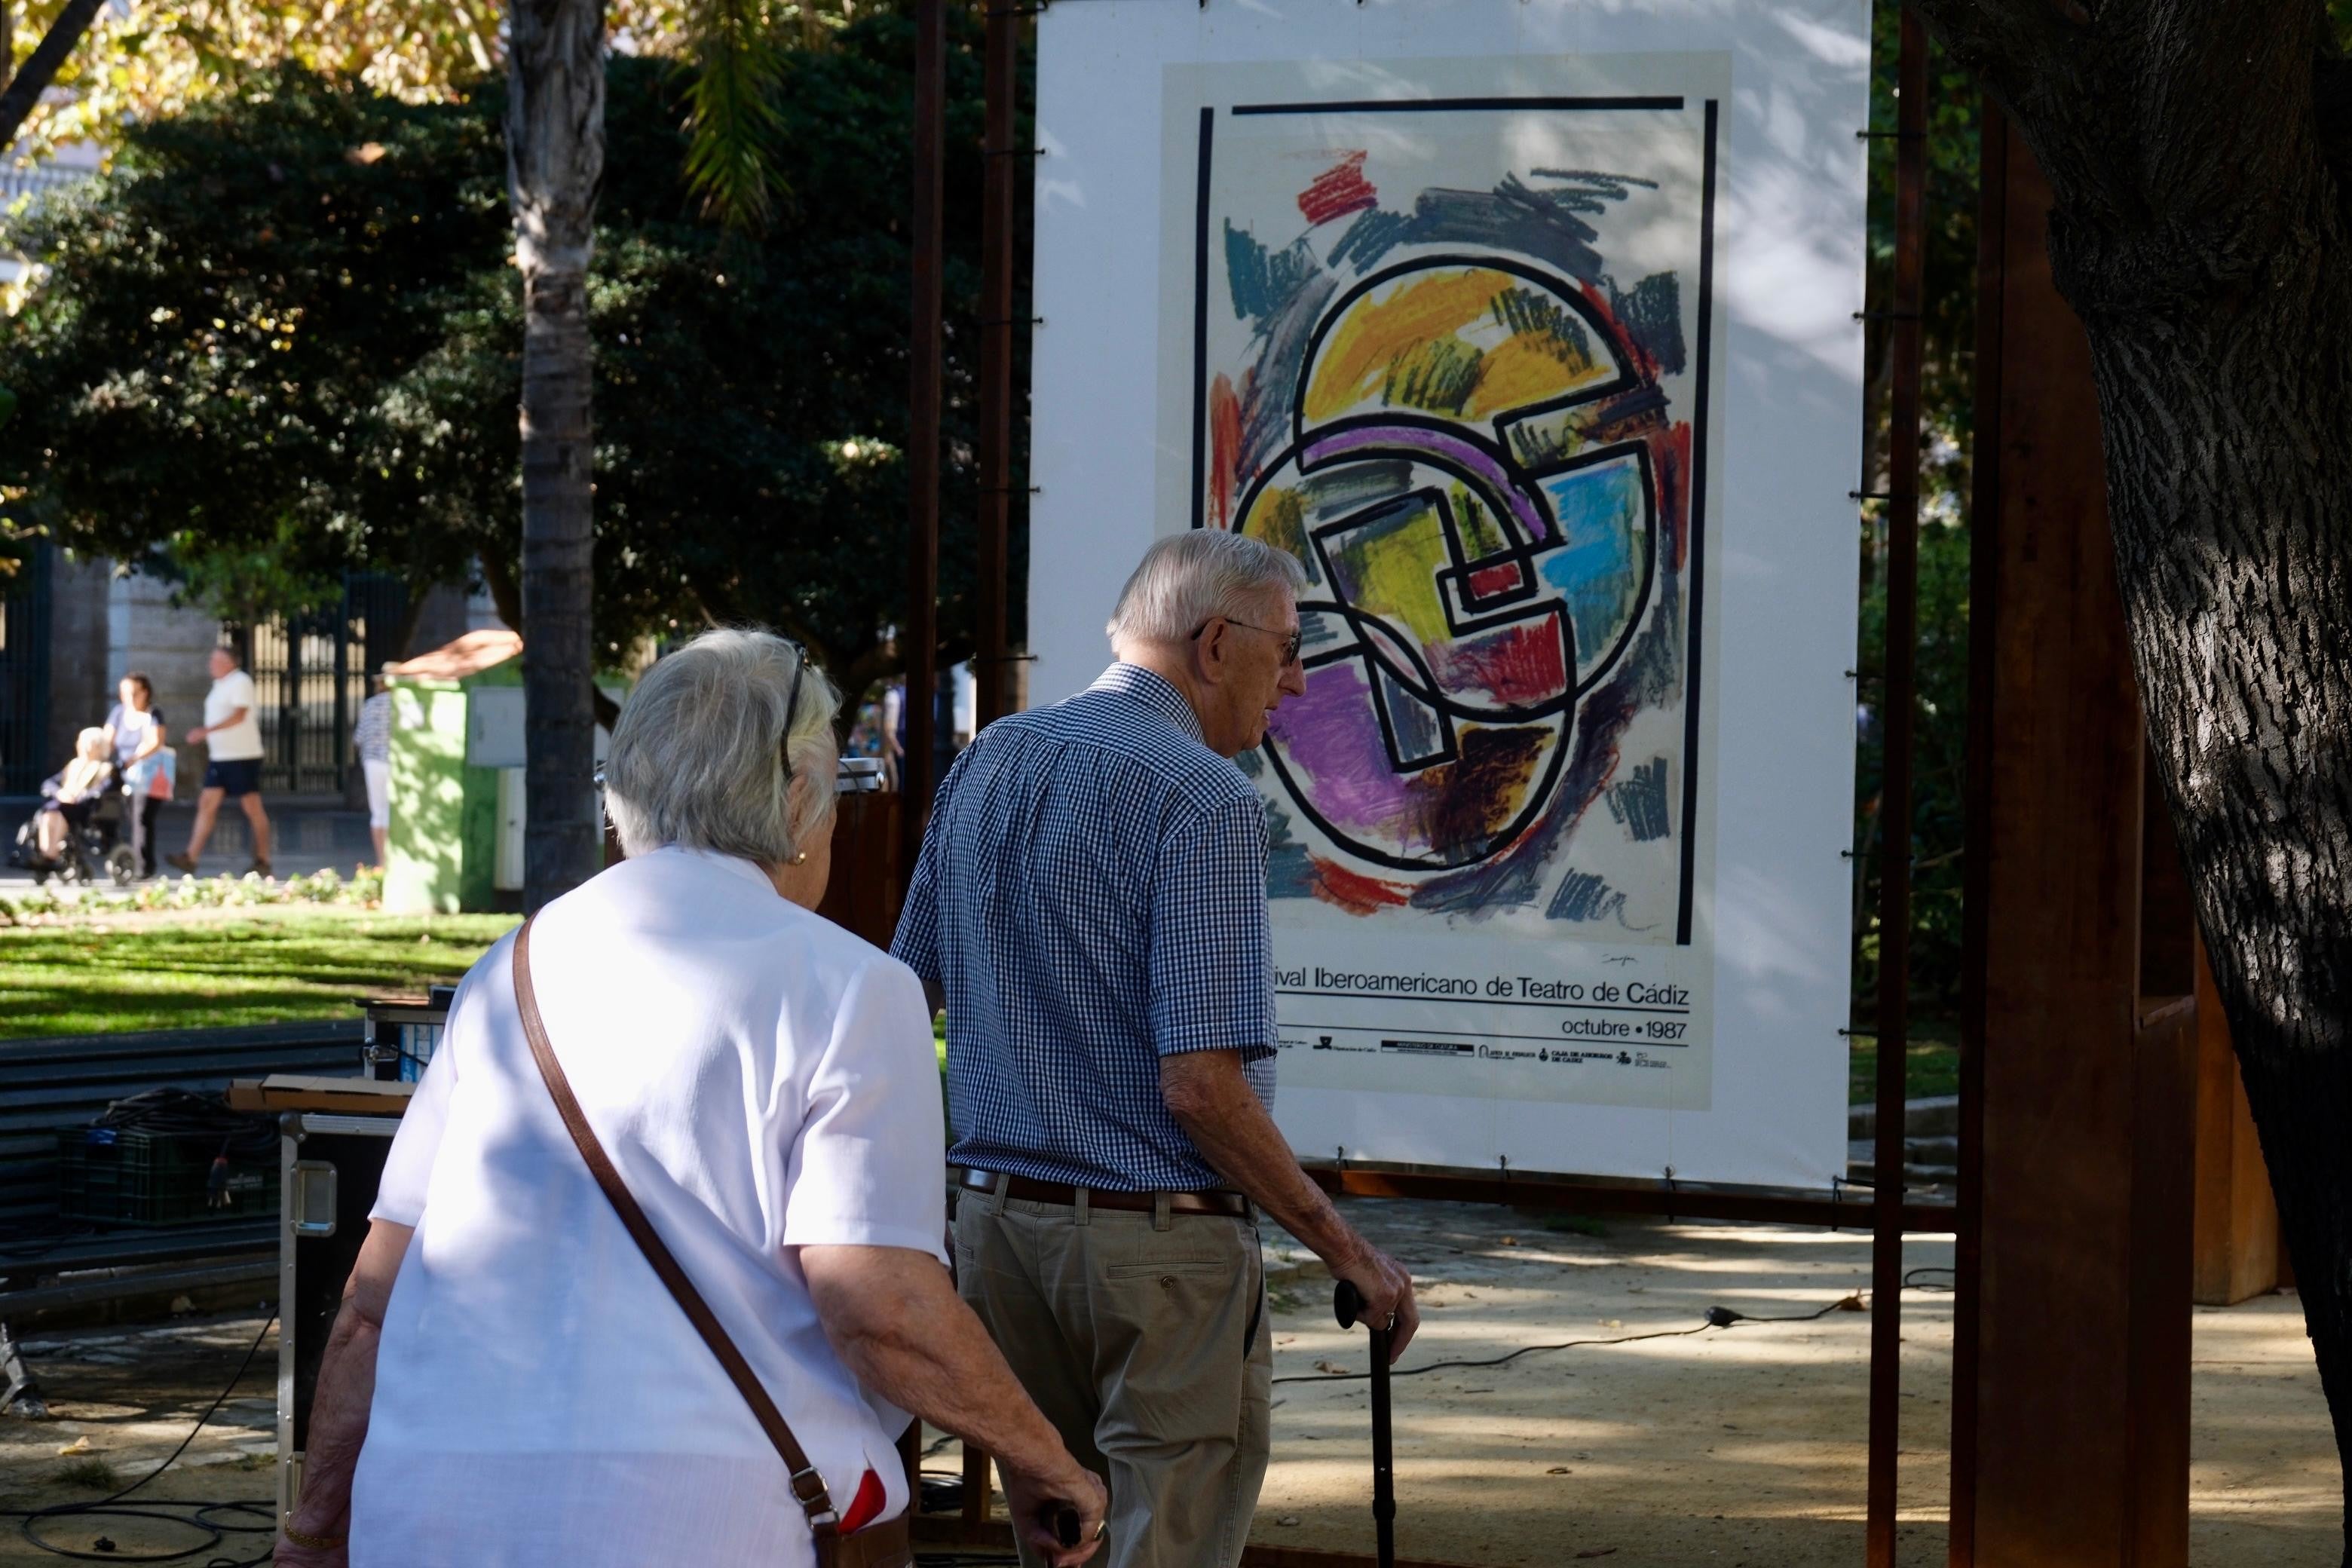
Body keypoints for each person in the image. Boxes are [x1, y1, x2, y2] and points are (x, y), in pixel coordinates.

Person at [276, 628, 1108, 1568]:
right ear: (797, 797)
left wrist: (313, 1532)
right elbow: (878, 1304)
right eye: (833, 791)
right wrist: (1044, 1458)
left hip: (429, 1506)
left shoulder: (505, 973)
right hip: (705, 1517)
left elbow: (370, 1305)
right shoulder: (853, 987)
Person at [890, 532, 1422, 1568]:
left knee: (1065, 1540)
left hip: (1000, 1236)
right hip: (1156, 1257)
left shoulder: (990, 757)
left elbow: (902, 994)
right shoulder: (1204, 798)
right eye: (1288, 647)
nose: (1299, 680)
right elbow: (1201, 1089)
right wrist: (1346, 1249)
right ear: (1215, 644)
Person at [167, 645, 271, 877]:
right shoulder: (219, 685)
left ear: (231, 662)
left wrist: (206, 731)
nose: (211, 664)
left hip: (242, 756)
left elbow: (239, 715)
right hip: (221, 757)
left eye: (217, 660)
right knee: (207, 803)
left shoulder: (240, 681)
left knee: (252, 807)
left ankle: (263, 859)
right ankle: (190, 857)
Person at [101, 672, 169, 877]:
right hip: (123, 771)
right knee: (101, 801)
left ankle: (144, 865)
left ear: (145, 693)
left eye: (133, 693)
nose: (129, 698)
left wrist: (135, 758)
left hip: (147, 774)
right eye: (124, 694)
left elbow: (157, 742)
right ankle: (110, 845)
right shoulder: (119, 713)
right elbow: (107, 739)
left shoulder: (153, 713)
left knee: (141, 818)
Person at [33, 728, 113, 864]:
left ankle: (51, 854)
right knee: (48, 815)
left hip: (84, 808)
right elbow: (50, 783)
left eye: (89, 744)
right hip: (62, 804)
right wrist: (59, 793)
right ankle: (47, 851)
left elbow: (102, 790)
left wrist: (79, 797)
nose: (85, 748)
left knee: (62, 813)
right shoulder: (74, 765)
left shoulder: (106, 768)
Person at [352, 669, 394, 869]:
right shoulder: (403, 705)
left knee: (378, 812)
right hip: (396, 762)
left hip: (373, 763)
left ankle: (382, 861)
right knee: (395, 811)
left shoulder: (370, 705)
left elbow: (359, 739)